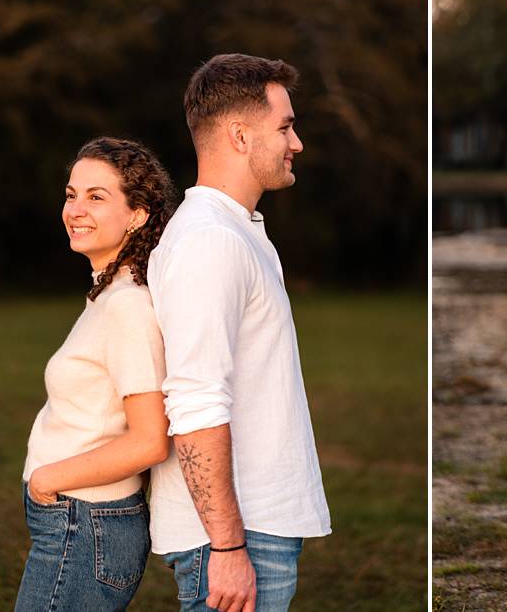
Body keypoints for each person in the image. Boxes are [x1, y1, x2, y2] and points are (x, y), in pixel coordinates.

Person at [148, 54, 331, 612]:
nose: (296, 142)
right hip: (232, 535)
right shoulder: (210, 240)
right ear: (238, 134)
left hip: (255, 526)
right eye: (285, 126)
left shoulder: (238, 229)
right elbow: (196, 399)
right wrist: (227, 546)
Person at [14, 137, 177, 611]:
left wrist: (48, 479)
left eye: (97, 196)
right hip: (78, 519)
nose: (75, 209)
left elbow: (150, 440)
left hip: (85, 521)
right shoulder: (107, 295)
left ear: (138, 214)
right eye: (71, 194)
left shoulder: (127, 306)